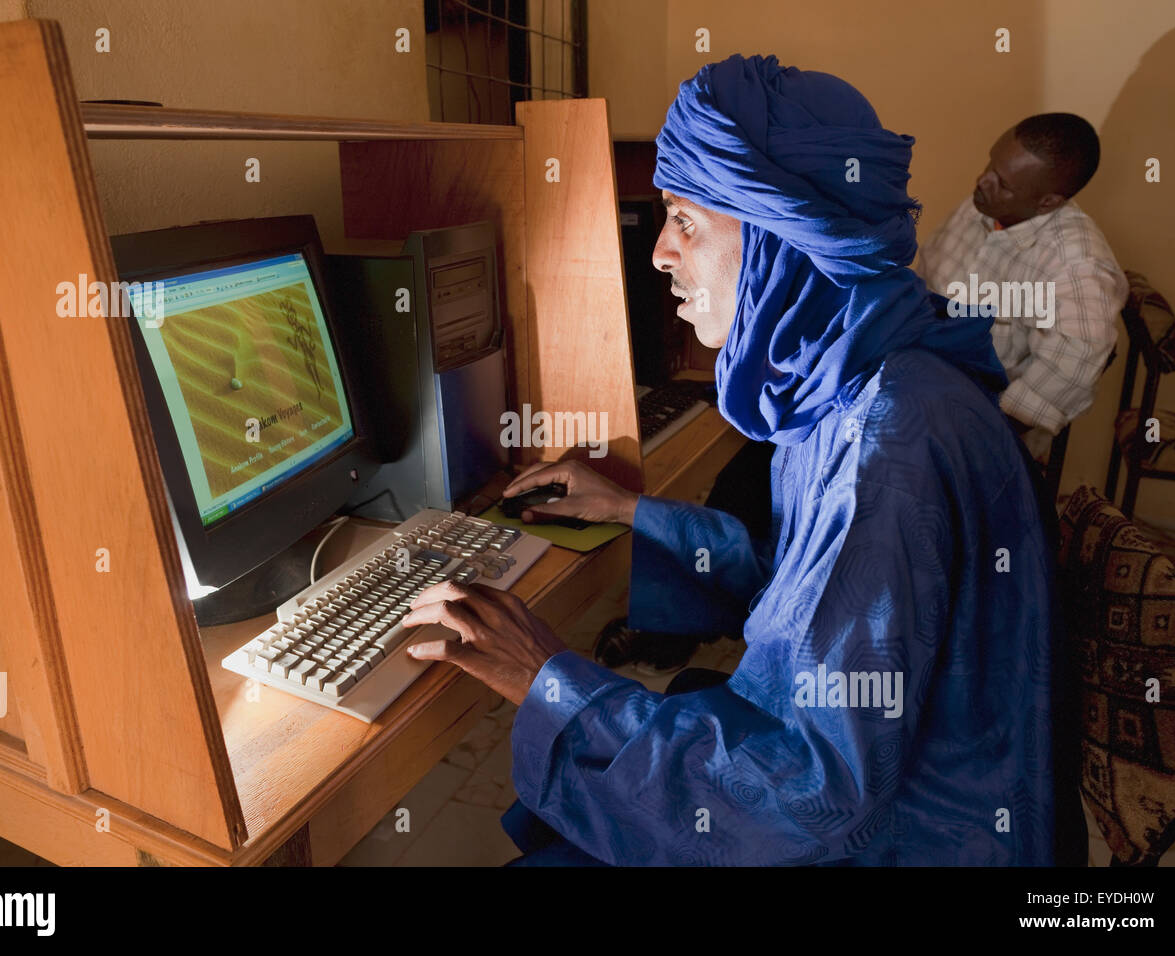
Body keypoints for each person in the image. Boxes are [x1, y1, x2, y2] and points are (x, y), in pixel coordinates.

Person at [401, 54, 1077, 865]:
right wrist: (630, 512)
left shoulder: (887, 439)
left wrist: (548, 678)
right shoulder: (865, 366)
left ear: (789, 236)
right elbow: (804, 588)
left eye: (685, 220)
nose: (658, 254)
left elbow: (810, 794)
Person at [917, 113, 1127, 461]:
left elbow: (1070, 368)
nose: (984, 180)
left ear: (1048, 202)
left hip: (981, 424)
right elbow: (925, 284)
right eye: (990, 165)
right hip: (924, 381)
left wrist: (979, 431)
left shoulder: (1077, 265)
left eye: (1003, 183)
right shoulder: (983, 206)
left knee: (888, 469)